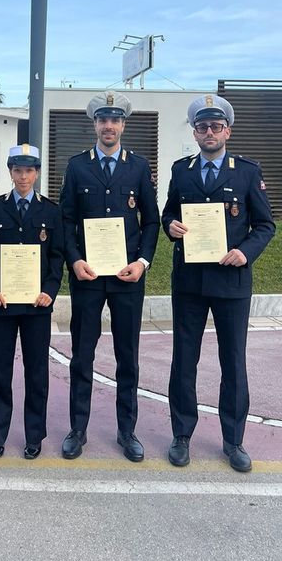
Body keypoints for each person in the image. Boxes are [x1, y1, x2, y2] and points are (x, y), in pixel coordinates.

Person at [161, 94, 275, 472]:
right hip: (190, 281)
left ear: (227, 130)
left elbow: (264, 225)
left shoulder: (246, 171)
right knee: (184, 361)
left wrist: (245, 252)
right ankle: (181, 435)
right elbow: (169, 214)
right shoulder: (182, 170)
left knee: (233, 362)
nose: (208, 132)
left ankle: (233, 440)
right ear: (194, 132)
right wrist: (171, 228)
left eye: (215, 126)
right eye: (201, 126)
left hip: (231, 281)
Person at [60, 92, 160, 461]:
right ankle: (78, 429)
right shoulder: (76, 166)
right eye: (103, 119)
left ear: (123, 125)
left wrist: (143, 262)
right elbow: (66, 220)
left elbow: (151, 221)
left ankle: (127, 431)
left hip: (126, 277)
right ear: (95, 124)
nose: (109, 126)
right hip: (87, 276)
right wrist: (73, 260)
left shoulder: (138, 166)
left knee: (127, 356)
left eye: (115, 119)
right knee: (82, 354)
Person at [0, 145, 64, 460]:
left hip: (37, 305)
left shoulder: (51, 212)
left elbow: (57, 259)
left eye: (29, 170)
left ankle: (34, 436)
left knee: (36, 372)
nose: (24, 176)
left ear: (37, 172)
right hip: (1, 304)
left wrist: (49, 291)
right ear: (10, 172)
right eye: (18, 170)